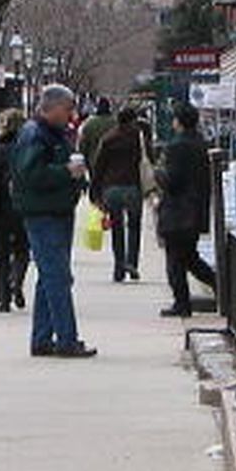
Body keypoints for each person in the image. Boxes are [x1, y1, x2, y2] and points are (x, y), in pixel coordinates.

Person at [10, 84, 95, 358]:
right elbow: (30, 175)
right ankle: (66, 338)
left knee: (49, 277)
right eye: (68, 109)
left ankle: (42, 337)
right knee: (57, 277)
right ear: (53, 107)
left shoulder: (52, 134)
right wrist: (66, 172)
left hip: (56, 211)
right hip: (43, 214)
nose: (71, 115)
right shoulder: (35, 135)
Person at [155, 100, 216, 318]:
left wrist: (157, 174)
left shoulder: (177, 146)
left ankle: (182, 302)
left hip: (178, 212)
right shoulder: (200, 143)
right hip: (195, 210)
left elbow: (173, 181)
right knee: (190, 257)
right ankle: (219, 285)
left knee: (176, 262)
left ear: (179, 121)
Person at [90, 107, 151, 283]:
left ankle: (118, 267)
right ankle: (132, 263)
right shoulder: (139, 138)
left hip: (112, 189)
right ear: (133, 120)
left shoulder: (108, 138)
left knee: (117, 228)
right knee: (134, 226)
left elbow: (98, 166)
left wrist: (95, 192)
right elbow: (149, 159)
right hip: (133, 187)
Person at [0, 108, 30, 312]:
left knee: (0, 252)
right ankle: (16, 281)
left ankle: (3, 296)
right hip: (23, 205)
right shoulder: (28, 147)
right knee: (22, 250)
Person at [77, 96, 114, 167]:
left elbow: (82, 145)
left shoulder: (89, 124)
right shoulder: (115, 123)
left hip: (94, 161)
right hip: (112, 163)